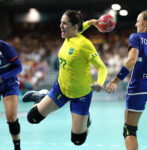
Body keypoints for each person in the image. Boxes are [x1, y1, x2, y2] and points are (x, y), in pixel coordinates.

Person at [22, 10, 107, 145]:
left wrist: (100, 83)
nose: (61, 26)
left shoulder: (84, 44)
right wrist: (90, 22)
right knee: (32, 118)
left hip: (81, 95)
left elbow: (102, 67)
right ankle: (41, 96)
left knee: (78, 140)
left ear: (74, 27)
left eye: (64, 23)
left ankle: (86, 119)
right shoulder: (69, 35)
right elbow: (79, 27)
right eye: (60, 23)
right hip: (61, 88)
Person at [105, 10, 147, 150]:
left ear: (145, 24)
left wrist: (114, 81)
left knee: (129, 129)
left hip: (139, 87)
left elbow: (131, 61)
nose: (136, 23)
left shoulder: (136, 37)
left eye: (138, 20)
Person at [0, 40, 22, 150]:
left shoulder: (6, 47)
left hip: (9, 83)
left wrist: (2, 77)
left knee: (12, 118)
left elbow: (18, 67)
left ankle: (17, 147)